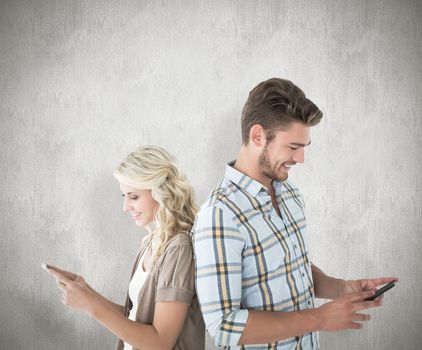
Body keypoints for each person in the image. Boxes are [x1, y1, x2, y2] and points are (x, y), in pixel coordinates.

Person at [192, 78, 398, 349]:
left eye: (303, 147)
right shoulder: (219, 214)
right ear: (258, 136)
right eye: (293, 147)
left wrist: (341, 289)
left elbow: (289, 269)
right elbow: (224, 326)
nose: (300, 159)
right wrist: (319, 318)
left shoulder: (290, 195)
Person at [45, 145, 205, 350]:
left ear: (160, 192)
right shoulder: (150, 242)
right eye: (124, 196)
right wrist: (86, 291)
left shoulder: (179, 249)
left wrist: (90, 306)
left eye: (134, 196)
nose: (126, 207)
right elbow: (135, 316)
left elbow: (160, 342)